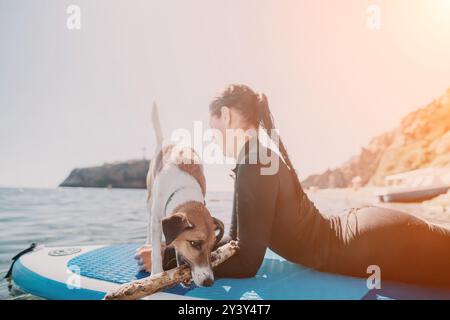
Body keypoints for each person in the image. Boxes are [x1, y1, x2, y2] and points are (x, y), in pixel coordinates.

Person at [136, 84, 450, 288]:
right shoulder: (254, 158)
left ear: (227, 116)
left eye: (214, 129)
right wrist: (174, 248)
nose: (214, 140)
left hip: (378, 244)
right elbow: (236, 239)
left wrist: (167, 263)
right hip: (367, 232)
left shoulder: (256, 161)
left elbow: (247, 262)